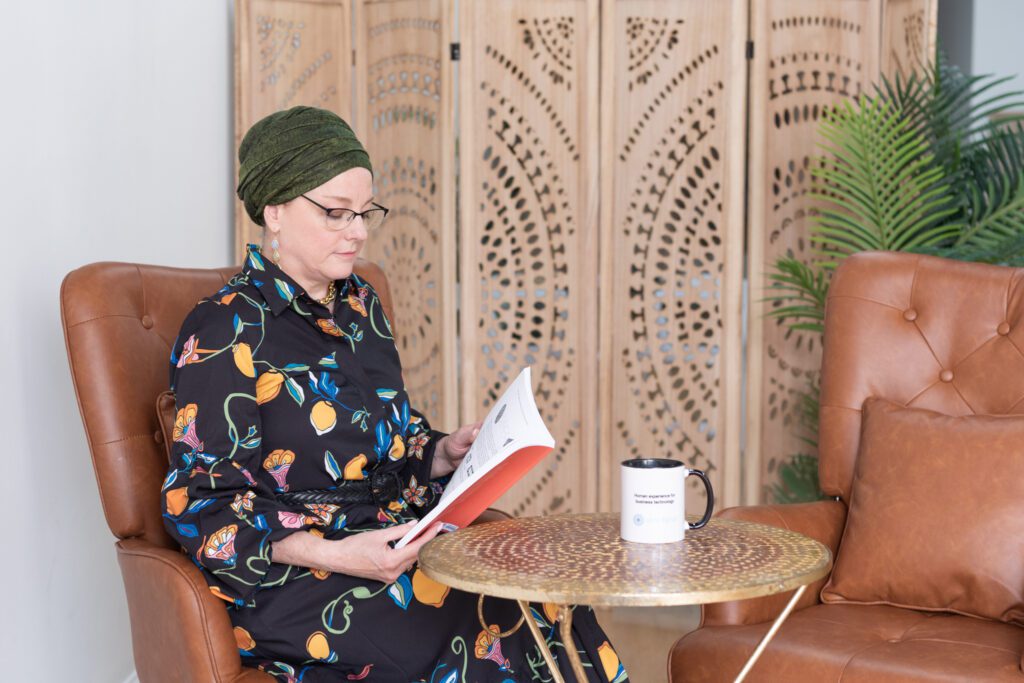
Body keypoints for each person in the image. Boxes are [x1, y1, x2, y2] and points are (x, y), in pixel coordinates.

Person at [160, 105, 629, 682]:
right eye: (335, 213)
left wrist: (440, 452)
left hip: (389, 538)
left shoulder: (361, 306)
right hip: (296, 578)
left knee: (543, 591)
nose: (357, 231)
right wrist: (338, 553)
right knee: (477, 612)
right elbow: (200, 506)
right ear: (274, 210)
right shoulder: (223, 330)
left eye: (364, 212)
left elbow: (389, 445)